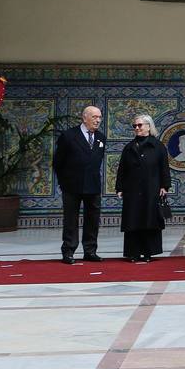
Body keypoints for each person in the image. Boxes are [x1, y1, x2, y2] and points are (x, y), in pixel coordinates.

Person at [52, 105, 106, 264]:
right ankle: (68, 251)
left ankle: (90, 250)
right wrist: (63, 182)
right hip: (71, 186)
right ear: (84, 118)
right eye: (94, 117)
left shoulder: (101, 137)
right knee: (71, 219)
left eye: (99, 117)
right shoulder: (69, 136)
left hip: (93, 186)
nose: (98, 120)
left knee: (93, 219)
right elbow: (58, 162)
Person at [115, 114, 170, 263]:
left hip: (151, 189)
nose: (137, 128)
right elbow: (122, 169)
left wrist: (164, 186)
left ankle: (148, 252)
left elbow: (164, 168)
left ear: (148, 127)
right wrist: (119, 187)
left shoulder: (158, 146)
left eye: (140, 125)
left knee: (150, 219)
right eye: (135, 126)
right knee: (132, 220)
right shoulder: (129, 147)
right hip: (132, 190)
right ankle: (133, 252)